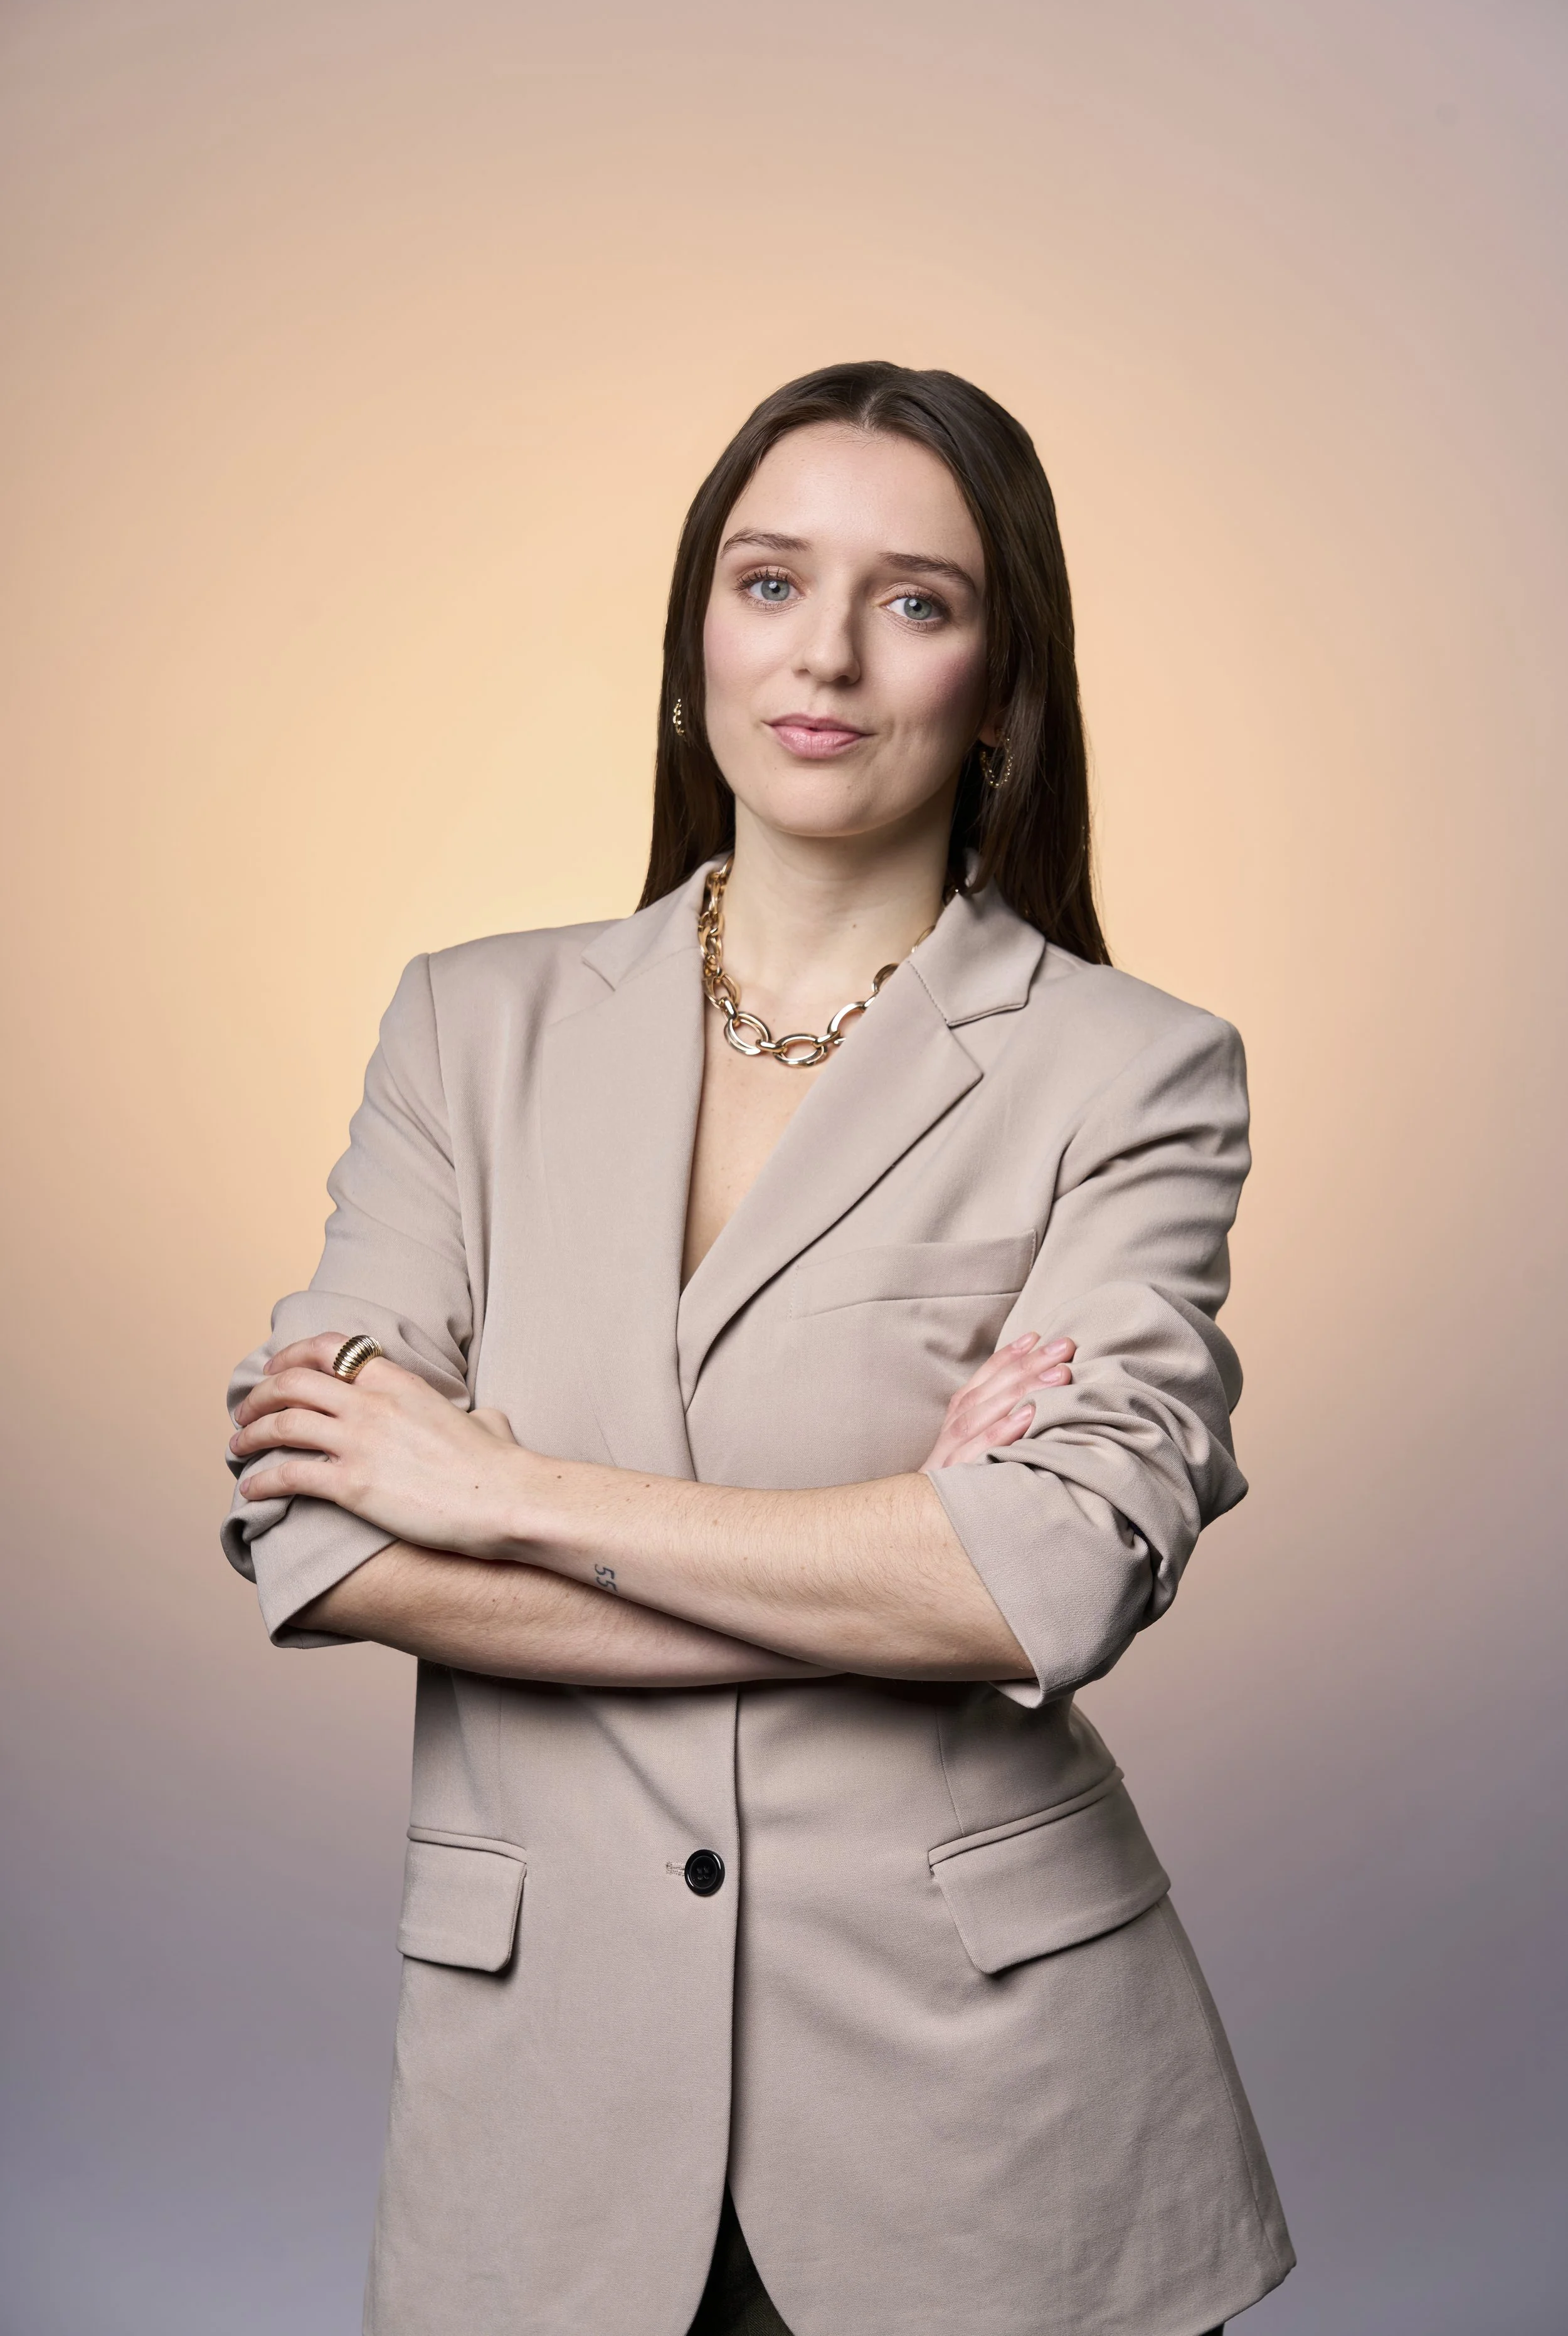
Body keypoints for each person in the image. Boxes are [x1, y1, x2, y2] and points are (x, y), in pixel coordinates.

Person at [223, 361, 1293, 2336]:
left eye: (915, 599)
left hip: (989, 2131)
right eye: (770, 580)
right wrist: (896, 1564)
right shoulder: (467, 1028)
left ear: (1002, 682)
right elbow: (317, 1528)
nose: (825, 654)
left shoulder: (1131, 1071)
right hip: (543, 2120)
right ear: (693, 640)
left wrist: (500, 1492)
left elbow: (1052, 1574)